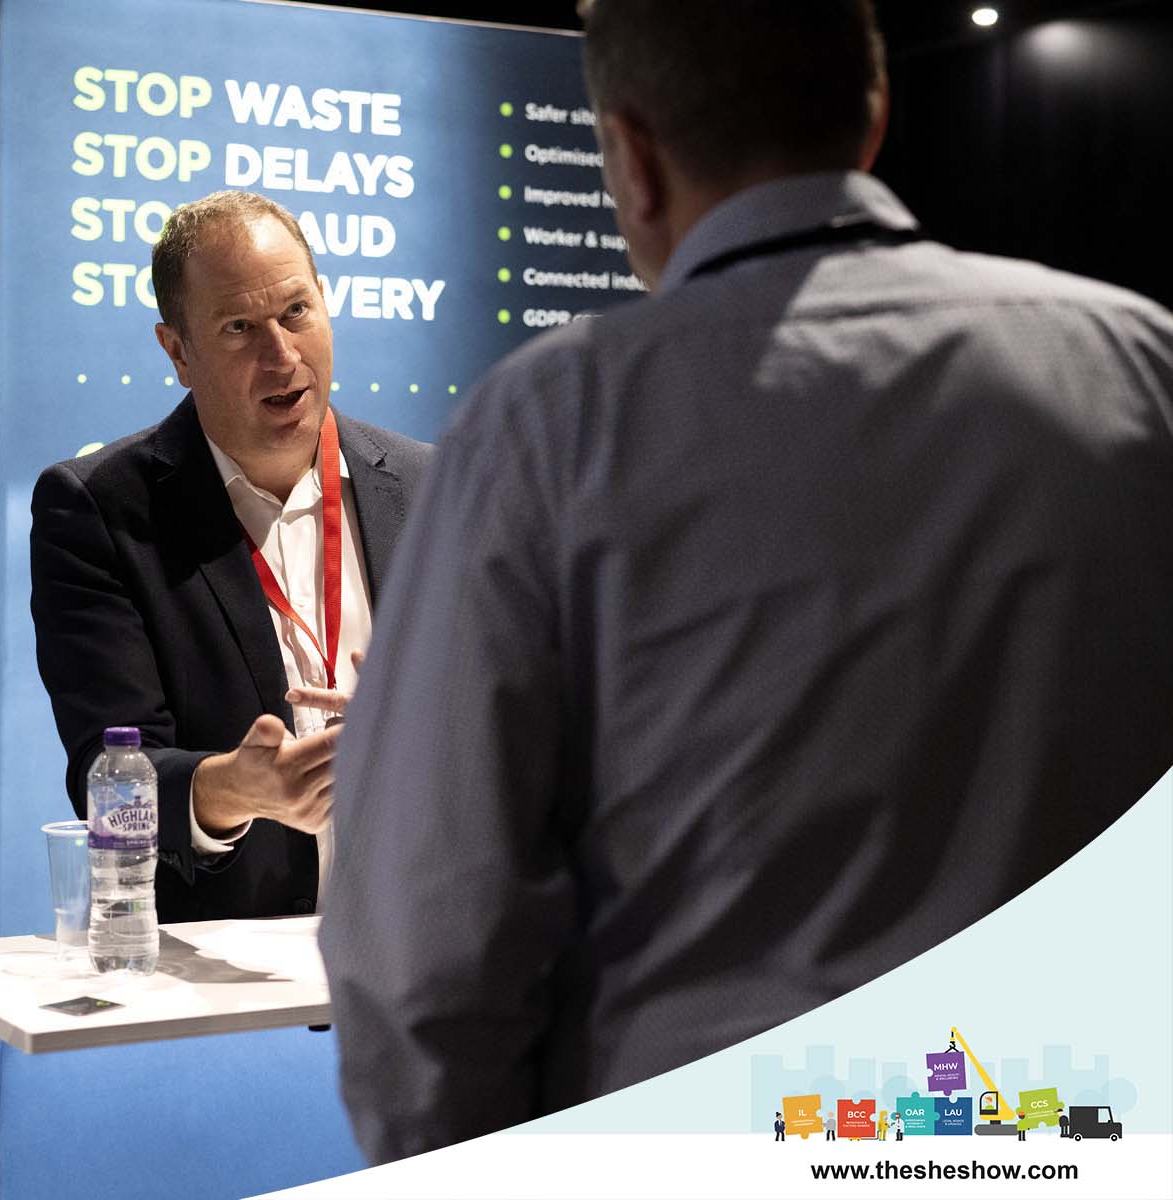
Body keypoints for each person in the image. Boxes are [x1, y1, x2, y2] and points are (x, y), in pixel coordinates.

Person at [320, 0, 1173, 1164]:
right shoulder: (1136, 367)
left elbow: (425, 935)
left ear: (629, 156)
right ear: (872, 115)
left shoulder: (554, 424)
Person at [31, 190, 430, 921]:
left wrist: (436, 725)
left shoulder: (431, 487)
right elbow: (106, 776)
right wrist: (233, 789)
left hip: (426, 945)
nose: (282, 355)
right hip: (227, 968)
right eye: (239, 328)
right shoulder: (100, 511)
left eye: (296, 312)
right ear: (178, 351)